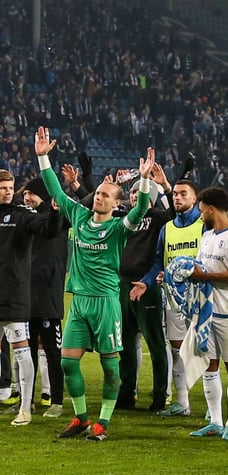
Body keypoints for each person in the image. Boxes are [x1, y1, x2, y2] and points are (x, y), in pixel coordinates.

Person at [35, 127, 153, 441]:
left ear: (115, 203)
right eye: (98, 192)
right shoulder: (79, 215)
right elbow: (57, 193)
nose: (99, 196)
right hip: (80, 302)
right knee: (67, 363)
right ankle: (81, 418)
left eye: (105, 195)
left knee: (110, 367)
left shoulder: (119, 226)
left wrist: (143, 180)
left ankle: (103, 421)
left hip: (106, 302)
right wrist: (43, 157)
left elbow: (141, 209)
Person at [186, 187, 228, 441]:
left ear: (211, 209)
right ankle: (215, 422)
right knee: (209, 366)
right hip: (206, 311)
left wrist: (204, 276)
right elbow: (201, 267)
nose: (200, 214)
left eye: (201, 210)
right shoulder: (207, 236)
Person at [139, 177, 206, 417]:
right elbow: (158, 260)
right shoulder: (166, 228)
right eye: (175, 194)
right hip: (174, 299)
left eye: (183, 194)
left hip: (201, 297)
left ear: (194, 198)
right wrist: (147, 282)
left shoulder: (203, 225)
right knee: (177, 349)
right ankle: (181, 402)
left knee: (209, 349)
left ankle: (213, 408)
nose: (177, 197)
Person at [0, 169, 62, 426]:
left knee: (22, 352)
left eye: (9, 186)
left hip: (14, 296)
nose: (7, 191)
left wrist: (56, 213)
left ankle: (25, 408)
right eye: (2, 187)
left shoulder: (21, 216)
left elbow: (47, 230)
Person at [118, 170, 174, 412]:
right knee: (125, 345)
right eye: (130, 192)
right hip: (121, 286)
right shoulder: (123, 220)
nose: (133, 197)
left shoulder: (157, 217)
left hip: (146, 287)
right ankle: (127, 393)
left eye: (137, 193)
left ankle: (160, 396)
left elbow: (175, 212)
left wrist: (167, 188)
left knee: (155, 344)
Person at [21, 177, 68, 419]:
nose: (26, 197)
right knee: (26, 352)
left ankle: (57, 401)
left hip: (48, 295)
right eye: (25, 194)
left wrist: (80, 184)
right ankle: (26, 402)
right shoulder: (26, 217)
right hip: (27, 295)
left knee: (53, 352)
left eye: (31, 193)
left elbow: (84, 204)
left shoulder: (58, 215)